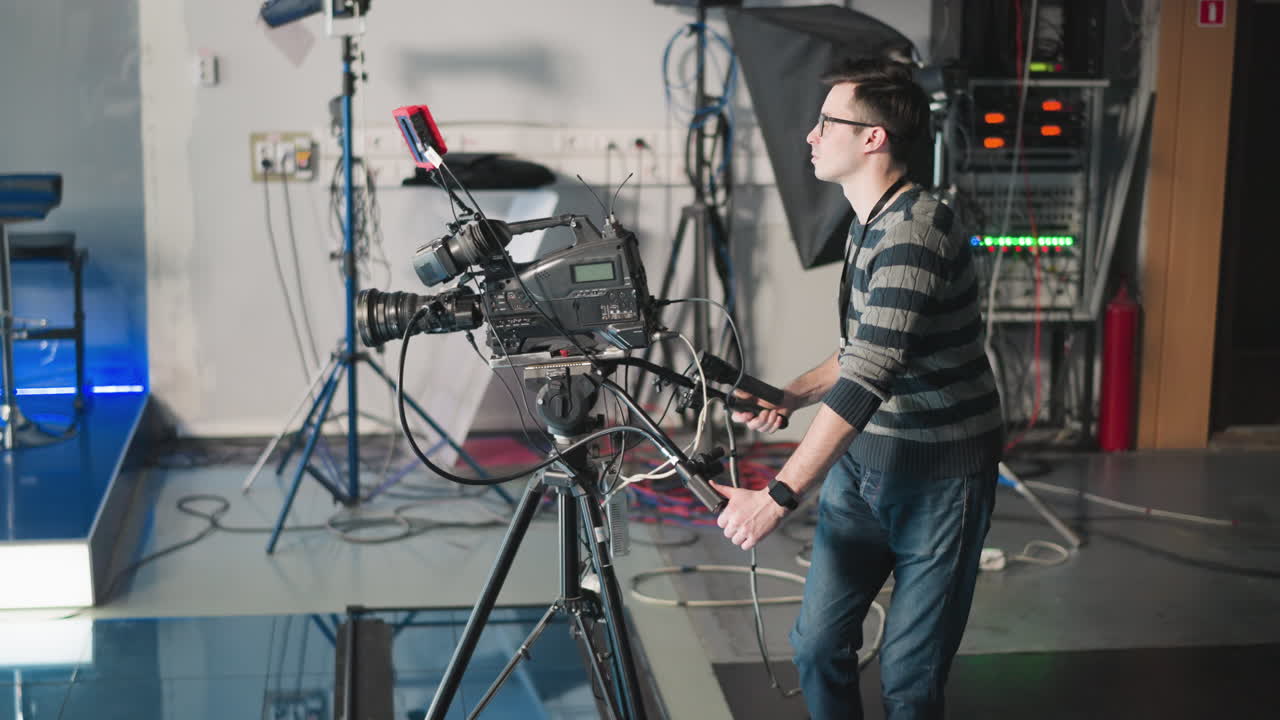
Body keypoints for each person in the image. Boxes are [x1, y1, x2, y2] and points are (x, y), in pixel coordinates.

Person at [714, 58, 1004, 719]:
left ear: (873, 137)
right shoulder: (868, 222)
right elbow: (861, 348)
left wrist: (777, 497)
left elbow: (873, 371)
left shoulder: (915, 229)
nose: (811, 137)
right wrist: (791, 395)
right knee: (816, 646)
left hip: (941, 478)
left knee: (908, 678)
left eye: (826, 123)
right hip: (864, 468)